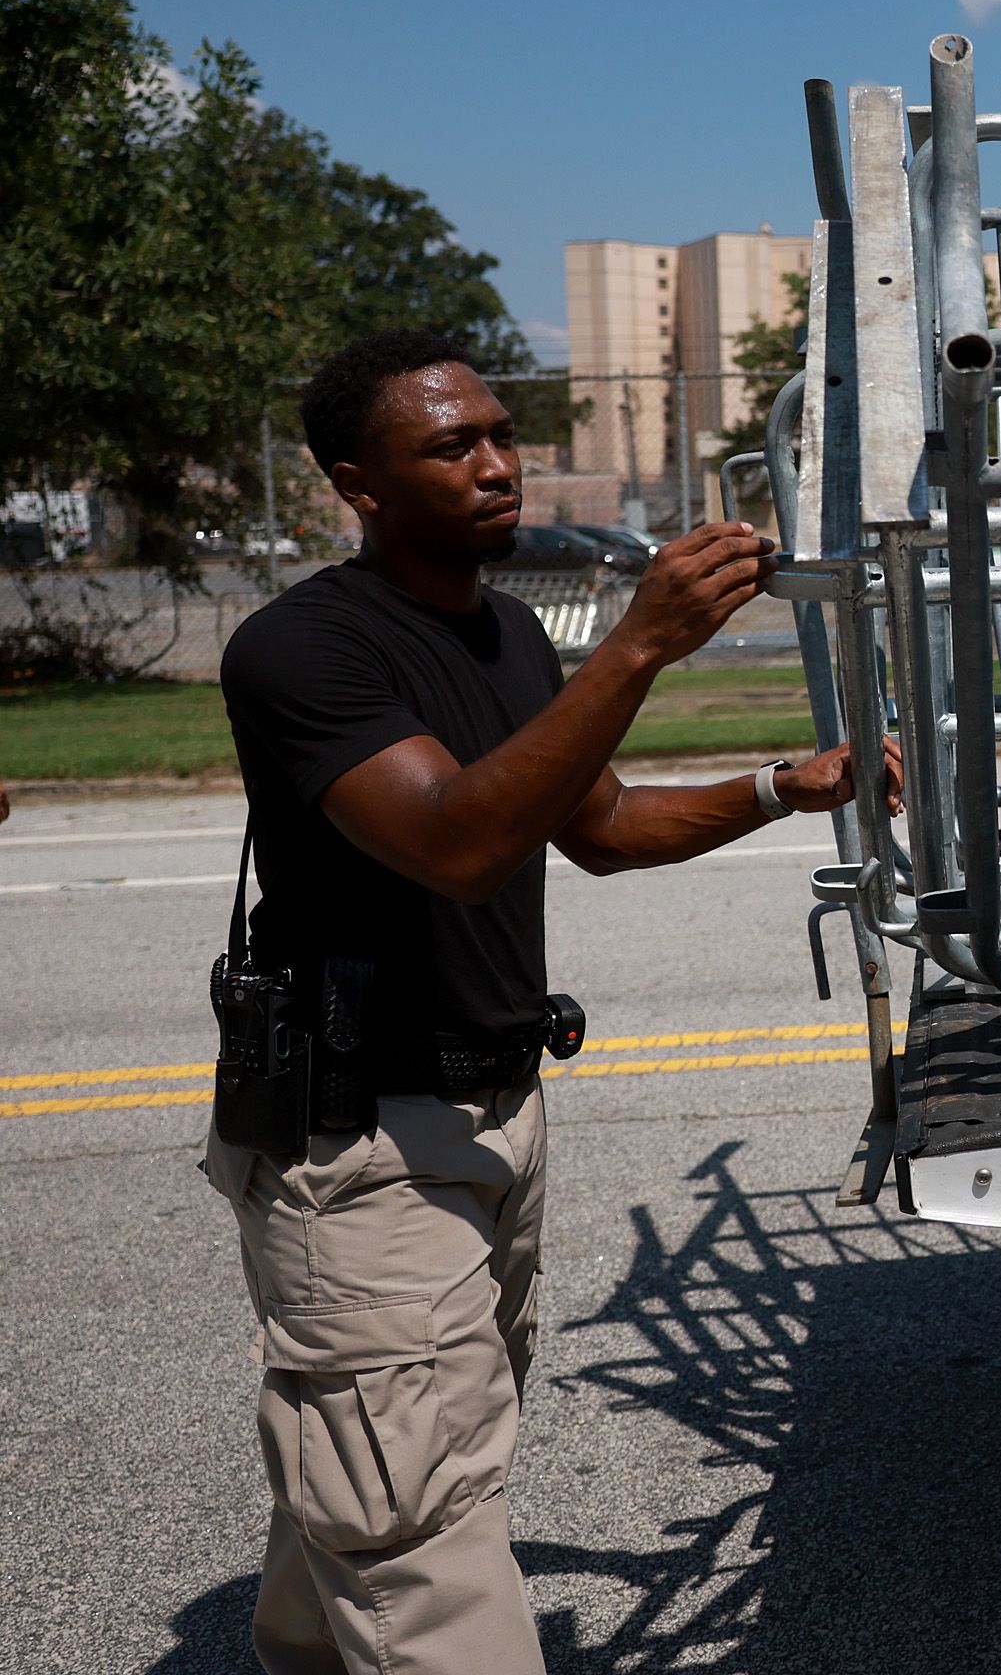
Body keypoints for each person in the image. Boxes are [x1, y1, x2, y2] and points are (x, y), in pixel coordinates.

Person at [208, 331, 898, 1675]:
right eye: (448, 446)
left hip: (494, 1116)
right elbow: (458, 838)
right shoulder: (298, 650)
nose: (494, 465)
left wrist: (775, 788)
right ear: (358, 483)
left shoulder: (511, 631)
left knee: (389, 1487)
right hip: (365, 1152)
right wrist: (637, 647)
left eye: (499, 434)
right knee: (414, 1528)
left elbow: (600, 825)